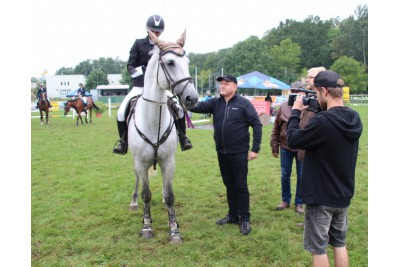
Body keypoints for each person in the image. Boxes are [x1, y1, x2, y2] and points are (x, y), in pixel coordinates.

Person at [286, 70, 363, 267]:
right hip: (343, 194)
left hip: (321, 196)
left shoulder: (323, 122)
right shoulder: (355, 118)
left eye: (317, 93)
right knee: (339, 244)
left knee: (318, 249)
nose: (316, 97)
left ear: (324, 91)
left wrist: (295, 111)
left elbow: (293, 139)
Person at [190, 74, 262, 235]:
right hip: (221, 151)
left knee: (240, 186)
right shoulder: (215, 103)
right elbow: (196, 107)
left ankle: (244, 218)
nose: (222, 86)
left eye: (226, 84)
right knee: (229, 185)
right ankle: (233, 215)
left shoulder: (243, 103)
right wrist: (183, 100)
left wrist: (255, 149)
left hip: (239, 152)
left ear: (235, 87)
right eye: (221, 84)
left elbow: (256, 124)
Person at [113, 14, 192, 155]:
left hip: (160, 88)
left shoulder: (164, 46)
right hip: (140, 86)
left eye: (158, 31)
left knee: (179, 109)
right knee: (120, 112)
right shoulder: (138, 44)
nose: (156, 33)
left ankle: (183, 138)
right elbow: (130, 66)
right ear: (147, 30)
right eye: (153, 31)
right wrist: (144, 71)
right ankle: (123, 142)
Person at [270, 81, 316, 214]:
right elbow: (276, 128)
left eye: (299, 91)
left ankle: (299, 203)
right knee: (285, 175)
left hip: (303, 147)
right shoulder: (283, 107)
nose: (295, 94)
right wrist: (274, 147)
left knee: (302, 175)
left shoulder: (310, 107)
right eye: (293, 91)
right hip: (286, 147)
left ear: (304, 93)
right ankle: (285, 200)